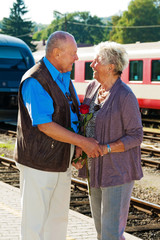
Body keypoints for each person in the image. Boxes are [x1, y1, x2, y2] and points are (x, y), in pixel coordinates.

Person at [14, 31, 102, 240]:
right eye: (73, 53)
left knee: (58, 220)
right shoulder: (35, 80)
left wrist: (77, 146)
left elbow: (70, 115)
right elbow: (45, 125)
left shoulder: (63, 78)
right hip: (38, 163)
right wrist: (83, 141)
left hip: (60, 161)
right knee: (34, 224)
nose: (77, 58)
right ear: (57, 53)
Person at [74, 41, 143, 240]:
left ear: (110, 67)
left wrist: (107, 148)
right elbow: (84, 121)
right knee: (100, 231)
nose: (92, 64)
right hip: (94, 169)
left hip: (117, 172)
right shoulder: (92, 88)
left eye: (97, 61)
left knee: (111, 233)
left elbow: (137, 136)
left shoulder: (124, 96)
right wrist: (80, 147)